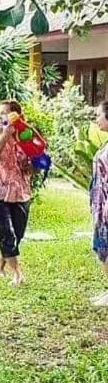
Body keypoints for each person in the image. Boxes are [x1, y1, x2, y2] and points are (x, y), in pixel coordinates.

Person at [0, 99, 33, 286]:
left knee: (17, 234)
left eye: (4, 113)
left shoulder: (24, 139)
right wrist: (5, 135)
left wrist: (32, 165)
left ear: (16, 117)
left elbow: (32, 167)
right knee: (7, 235)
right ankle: (18, 274)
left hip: (20, 193)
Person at [89, 100, 108, 307]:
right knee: (102, 248)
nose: (97, 119)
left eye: (99, 114)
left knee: (106, 247)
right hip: (100, 205)